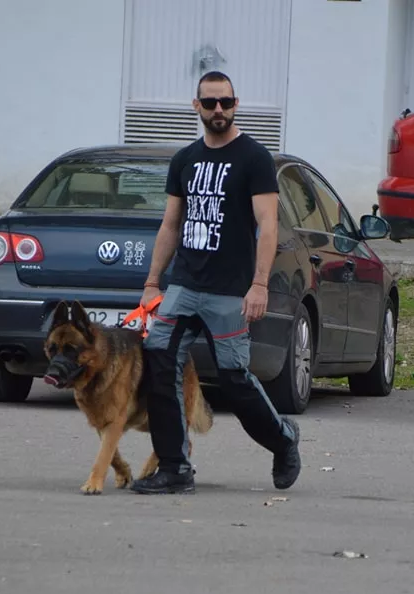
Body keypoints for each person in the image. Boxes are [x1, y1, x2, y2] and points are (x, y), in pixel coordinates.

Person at [128, 70, 301, 495]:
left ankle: (283, 439)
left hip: (229, 292)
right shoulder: (184, 159)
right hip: (184, 285)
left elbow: (268, 225)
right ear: (197, 107)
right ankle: (174, 468)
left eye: (225, 102)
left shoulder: (254, 158)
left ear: (236, 104)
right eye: (210, 103)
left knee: (235, 380)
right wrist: (153, 282)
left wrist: (259, 285)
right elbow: (171, 224)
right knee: (160, 362)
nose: (218, 110)